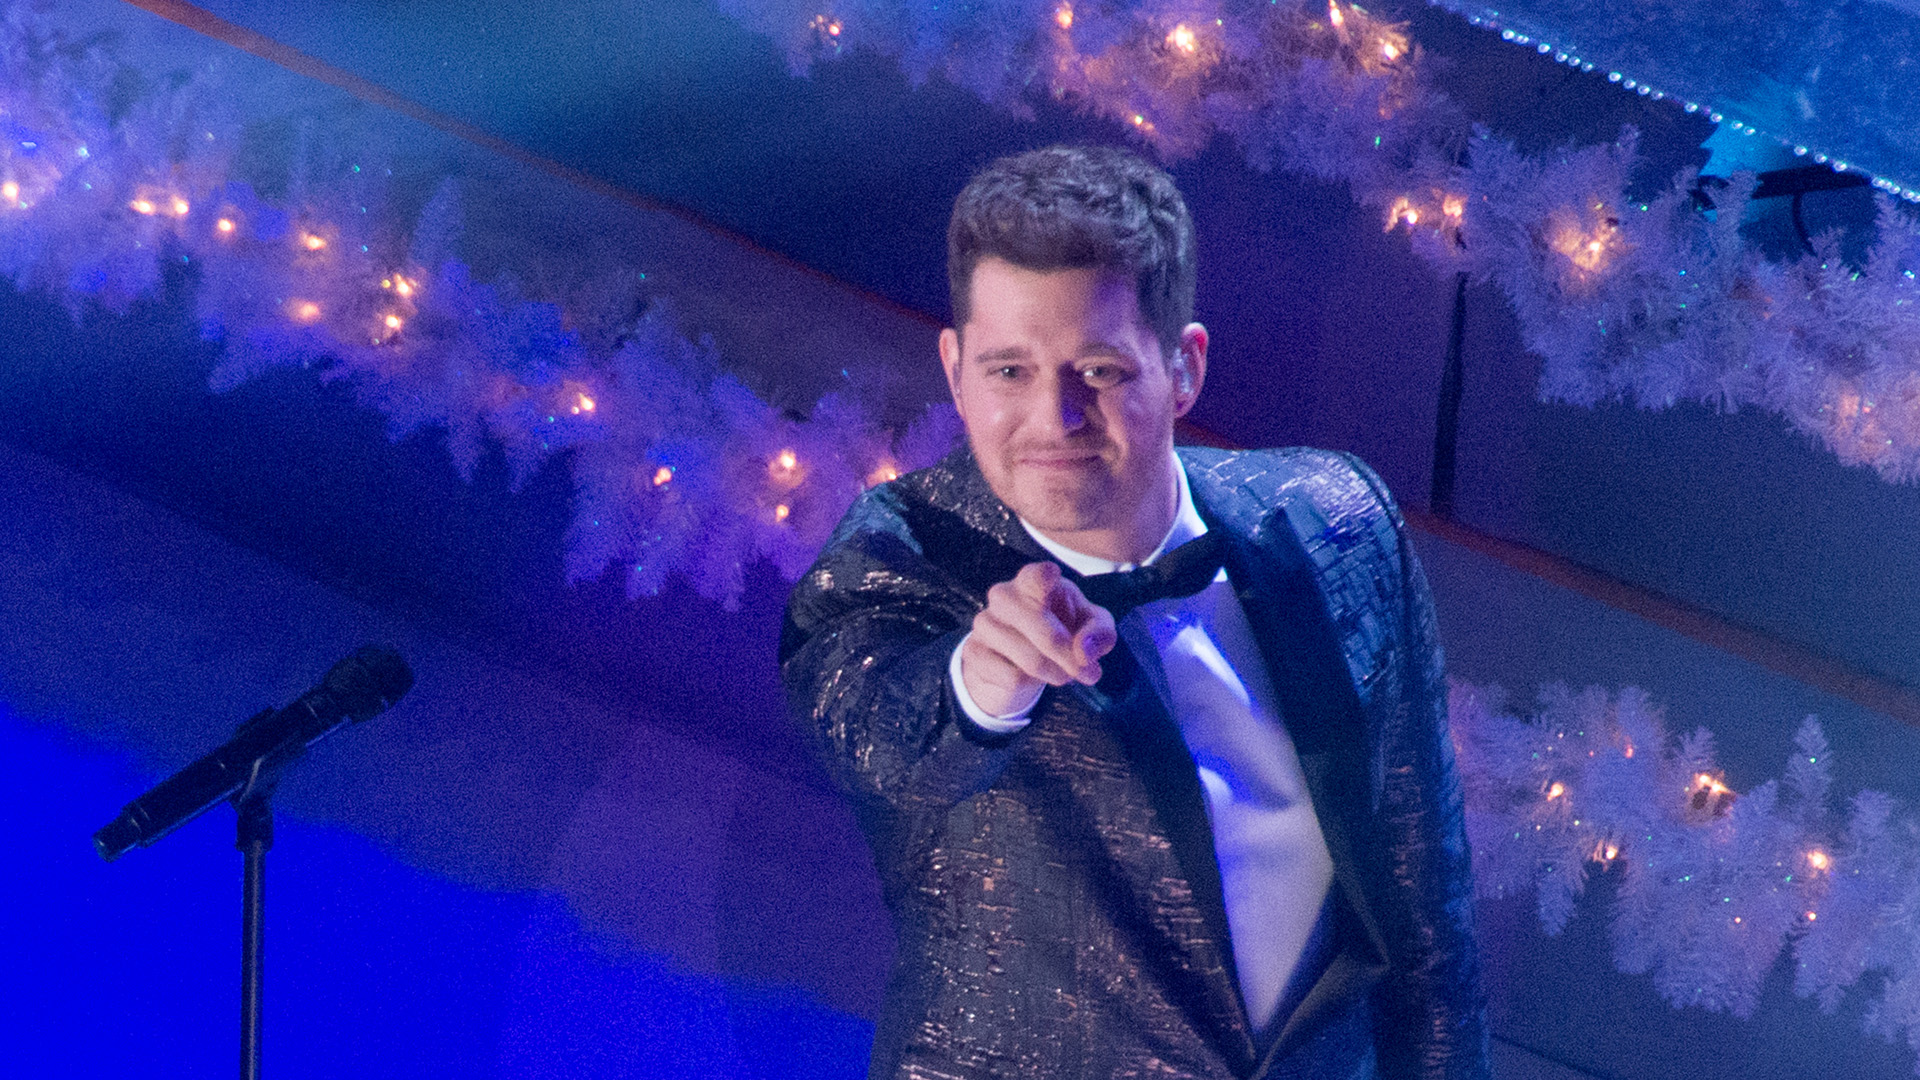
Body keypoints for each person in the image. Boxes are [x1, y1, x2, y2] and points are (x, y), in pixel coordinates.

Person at [780, 145, 1487, 1080]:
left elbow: (1426, 922)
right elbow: (875, 734)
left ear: (1183, 368)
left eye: (1100, 372)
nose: (1054, 418)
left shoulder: (1339, 522)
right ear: (953, 369)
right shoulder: (898, 554)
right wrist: (983, 685)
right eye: (1008, 372)